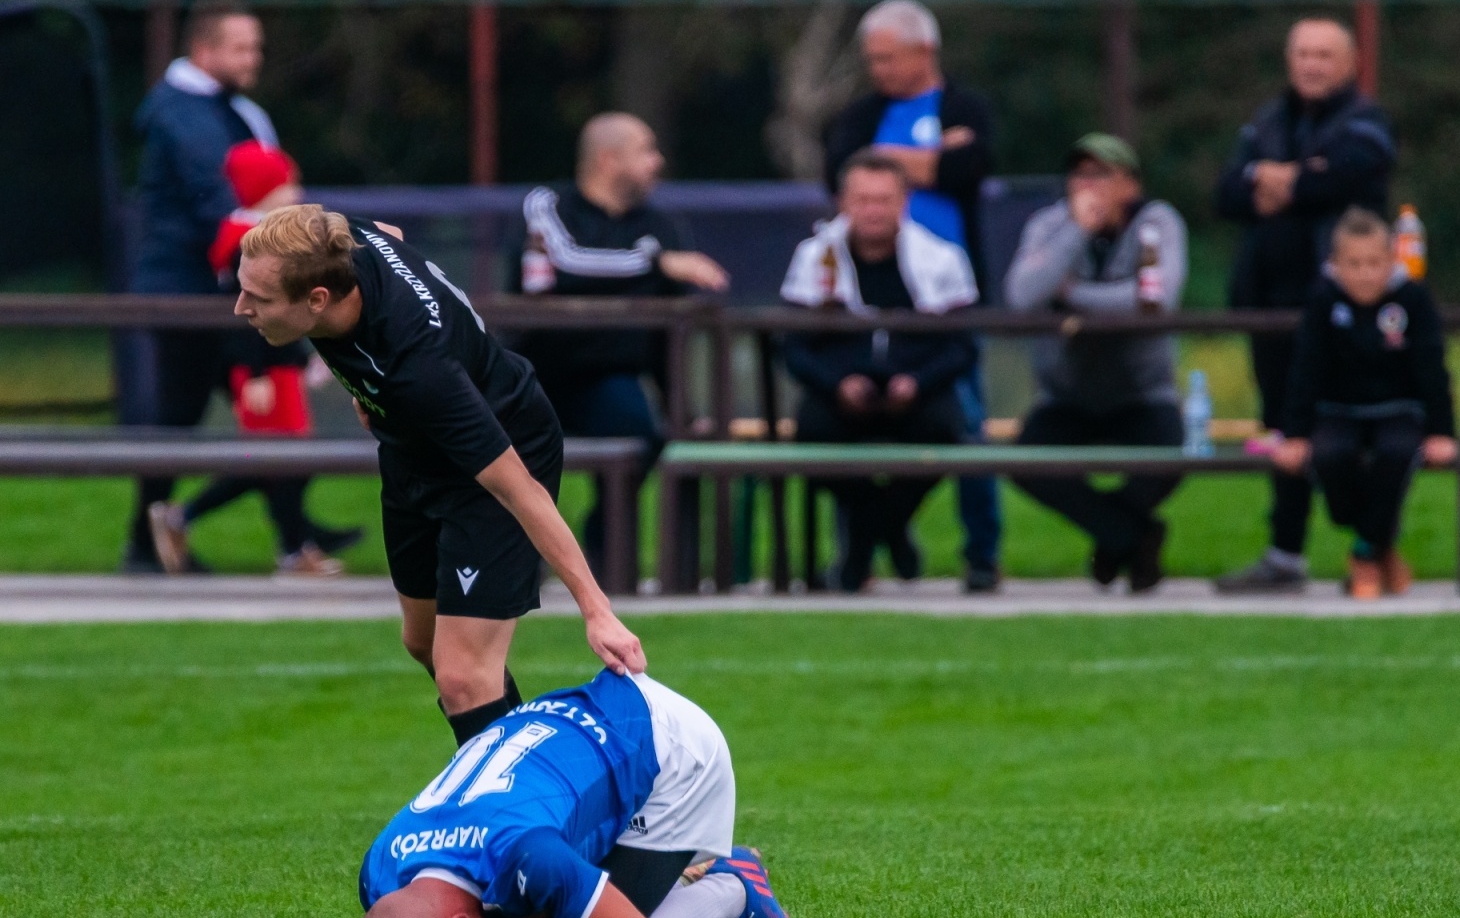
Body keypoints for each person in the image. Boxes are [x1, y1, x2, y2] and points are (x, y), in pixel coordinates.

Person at [234, 203, 644, 748]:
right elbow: (390, 233)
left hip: (498, 448)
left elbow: (522, 493)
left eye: (257, 299)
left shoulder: (419, 371)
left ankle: (514, 814)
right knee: (424, 641)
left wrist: (597, 612)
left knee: (463, 679)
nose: (240, 308)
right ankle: (527, 774)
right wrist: (365, 391)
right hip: (411, 446)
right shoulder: (335, 240)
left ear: (317, 300)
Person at [294, 668, 796, 918]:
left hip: (671, 750)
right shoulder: (381, 868)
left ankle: (731, 888)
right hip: (570, 740)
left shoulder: (527, 853)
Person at [823, 0, 1001, 593]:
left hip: (949, 297)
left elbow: (970, 170)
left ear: (925, 51)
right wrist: (930, 159)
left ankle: (982, 553)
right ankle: (861, 549)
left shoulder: (967, 104)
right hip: (867, 298)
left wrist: (890, 163)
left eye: (888, 58)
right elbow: (840, 168)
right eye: (871, 59)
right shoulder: (861, 112)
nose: (877, 70)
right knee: (846, 421)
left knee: (966, 423)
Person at [1213, 17, 1396, 594]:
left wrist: (1281, 182)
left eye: (1324, 54)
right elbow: (1227, 192)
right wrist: (1289, 181)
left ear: (1350, 64)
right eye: (1303, 54)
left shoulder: (1365, 123)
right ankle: (1284, 555)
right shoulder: (1268, 120)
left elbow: (1348, 178)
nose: (1312, 65)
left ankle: (1371, 548)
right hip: (1270, 306)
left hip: (1341, 309)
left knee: (1352, 430)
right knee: (1283, 431)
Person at [508, 113, 728, 572]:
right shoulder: (547, 207)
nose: (658, 162)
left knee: (640, 434)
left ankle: (608, 559)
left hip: (608, 378)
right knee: (506, 458)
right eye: (646, 150)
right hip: (534, 375)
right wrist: (656, 265)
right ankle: (517, 562)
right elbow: (564, 264)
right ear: (609, 160)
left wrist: (682, 408)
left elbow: (673, 328)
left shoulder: (659, 226)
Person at [149, 140, 362, 577]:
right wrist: (258, 373)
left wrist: (304, 358)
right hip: (265, 368)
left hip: (280, 364)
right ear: (262, 189)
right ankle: (282, 548)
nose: (296, 193)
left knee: (285, 462)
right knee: (277, 462)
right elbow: (247, 316)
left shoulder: (261, 235)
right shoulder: (244, 243)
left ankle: (288, 546)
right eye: (287, 184)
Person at [122, 0, 278, 574]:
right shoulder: (183, 112)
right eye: (241, 48)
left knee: (260, 407)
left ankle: (295, 535)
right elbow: (220, 196)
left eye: (256, 46)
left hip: (219, 287)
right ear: (205, 51)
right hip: (188, 289)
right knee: (184, 412)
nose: (253, 58)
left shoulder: (227, 110)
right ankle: (146, 539)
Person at [781, 152, 978, 593]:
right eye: (863, 199)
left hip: (918, 396)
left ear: (903, 202)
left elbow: (962, 348)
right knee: (812, 428)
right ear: (843, 202)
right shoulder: (813, 259)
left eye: (884, 200)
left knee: (946, 427)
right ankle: (890, 532)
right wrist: (838, 384)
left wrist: (918, 382)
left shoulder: (942, 258)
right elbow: (793, 349)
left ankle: (861, 547)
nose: (873, 210)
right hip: (841, 398)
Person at [1003, 134, 1189, 592]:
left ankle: (1115, 539)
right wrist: (1077, 231)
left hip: (1142, 394)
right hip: (1067, 394)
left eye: (1102, 175)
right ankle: (1130, 535)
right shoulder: (1050, 226)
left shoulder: (1157, 222)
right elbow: (1022, 296)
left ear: (1130, 183)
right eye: (1080, 175)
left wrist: (1071, 296)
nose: (1089, 186)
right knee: (1027, 463)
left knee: (1168, 458)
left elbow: (1156, 299)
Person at [1271, 208, 1456, 600]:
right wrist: (1296, 434)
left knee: (1398, 452)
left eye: (1374, 263)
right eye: (1353, 264)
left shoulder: (1412, 300)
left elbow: (1432, 369)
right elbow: (1306, 370)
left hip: (1398, 409)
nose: (1365, 274)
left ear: (1391, 260)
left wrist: (1442, 431)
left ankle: (1364, 554)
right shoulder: (1323, 301)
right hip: (1338, 410)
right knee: (1330, 456)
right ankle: (1381, 544)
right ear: (1335, 264)